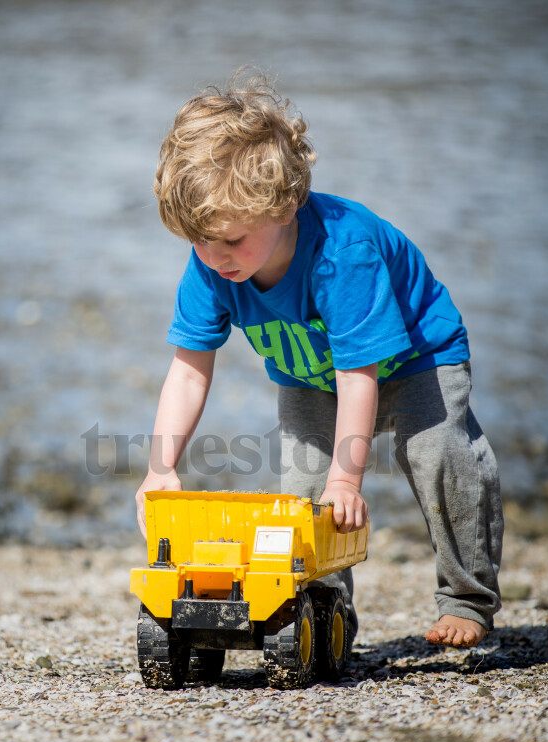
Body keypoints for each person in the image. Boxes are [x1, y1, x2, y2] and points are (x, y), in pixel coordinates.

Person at [135, 71, 503, 650]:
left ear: (284, 207)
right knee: (305, 498)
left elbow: (360, 373)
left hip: (414, 359)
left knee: (439, 456)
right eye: (200, 241)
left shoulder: (342, 254)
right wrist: (161, 467)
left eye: (231, 240)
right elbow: (187, 369)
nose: (216, 257)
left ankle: (467, 599)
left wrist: (347, 476)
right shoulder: (208, 264)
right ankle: (326, 616)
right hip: (312, 380)